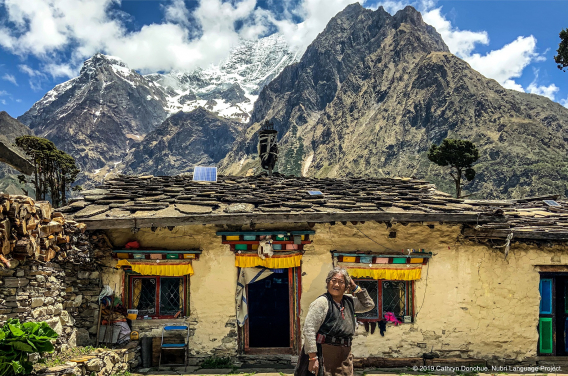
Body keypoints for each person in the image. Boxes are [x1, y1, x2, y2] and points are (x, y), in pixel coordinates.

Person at [295, 267, 375, 376]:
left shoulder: (349, 301)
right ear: (328, 283)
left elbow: (369, 305)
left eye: (341, 282)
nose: (336, 285)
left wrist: (356, 288)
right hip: (325, 354)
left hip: (344, 355)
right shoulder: (322, 302)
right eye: (333, 281)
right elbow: (309, 330)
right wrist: (313, 358)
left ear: (346, 286)